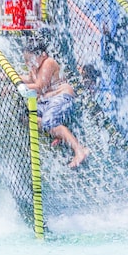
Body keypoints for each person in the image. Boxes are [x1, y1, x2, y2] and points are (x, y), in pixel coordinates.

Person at [21, 39, 89, 169]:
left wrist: (18, 87)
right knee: (25, 117)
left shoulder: (48, 63)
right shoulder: (35, 67)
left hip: (61, 97)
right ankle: (58, 133)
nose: (28, 64)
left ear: (43, 55)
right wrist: (10, 78)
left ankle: (80, 150)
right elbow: (29, 79)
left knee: (48, 122)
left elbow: (39, 87)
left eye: (30, 60)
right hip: (48, 102)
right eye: (25, 61)